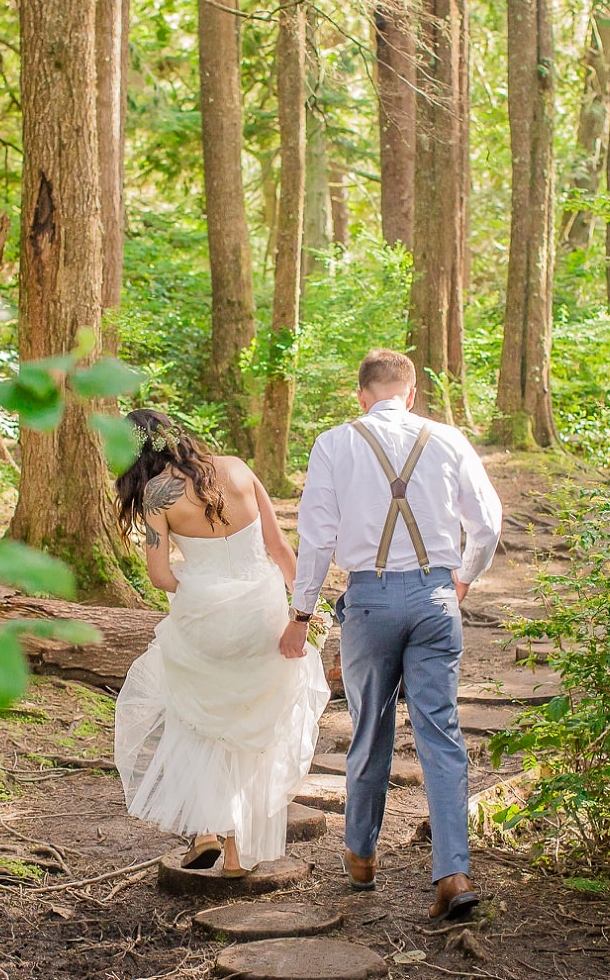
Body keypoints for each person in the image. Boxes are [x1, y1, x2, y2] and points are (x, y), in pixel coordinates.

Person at [280, 349, 503, 921]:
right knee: (441, 732)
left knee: (369, 728)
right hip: (434, 597)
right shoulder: (447, 439)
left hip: (370, 600)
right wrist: (464, 578)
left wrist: (302, 612)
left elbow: (316, 537)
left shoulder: (335, 443)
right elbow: (488, 521)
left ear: (361, 396)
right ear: (410, 395)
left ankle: (360, 854)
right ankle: (453, 872)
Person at [110, 409, 329, 875]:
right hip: (260, 611)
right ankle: (234, 855)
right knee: (248, 725)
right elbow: (279, 549)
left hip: (204, 618)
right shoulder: (237, 468)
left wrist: (198, 586)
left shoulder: (155, 496)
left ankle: (205, 832)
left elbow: (159, 574)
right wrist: (305, 612)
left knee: (196, 718)